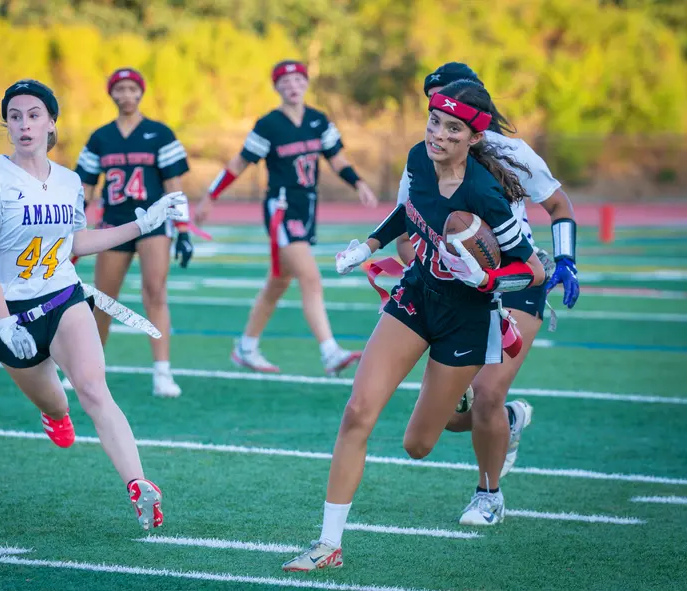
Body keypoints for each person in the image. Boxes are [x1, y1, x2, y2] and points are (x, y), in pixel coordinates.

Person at [282, 79, 546, 571]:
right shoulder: (418, 159)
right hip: (417, 296)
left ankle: (502, 419)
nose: (438, 134)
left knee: (419, 444)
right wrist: (369, 245)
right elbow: (408, 211)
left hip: (467, 319)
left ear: (474, 137)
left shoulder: (486, 193)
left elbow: (532, 270)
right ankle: (328, 544)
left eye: (453, 129)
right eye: (434, 122)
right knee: (357, 411)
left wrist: (485, 276)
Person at [0, 80, 187, 530]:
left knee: (95, 390)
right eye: (15, 116)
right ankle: (54, 415)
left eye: (34, 115)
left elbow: (75, 242)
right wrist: (3, 324)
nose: (24, 124)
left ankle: (139, 483)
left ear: (51, 123)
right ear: (7, 124)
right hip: (13, 313)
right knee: (57, 403)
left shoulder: (68, 181)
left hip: (63, 298)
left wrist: (141, 225)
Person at [393, 62, 579, 526]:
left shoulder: (510, 152)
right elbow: (404, 233)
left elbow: (558, 204)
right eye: (435, 109)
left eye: (454, 105)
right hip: (455, 295)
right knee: (451, 419)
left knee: (487, 392)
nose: (442, 119)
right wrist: (426, 267)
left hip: (515, 282)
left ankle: (488, 495)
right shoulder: (423, 159)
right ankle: (509, 422)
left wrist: (566, 259)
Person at [194, 60, 379, 376]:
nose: (293, 86)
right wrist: (210, 196)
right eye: (285, 81)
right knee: (310, 277)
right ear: (276, 87)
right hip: (281, 209)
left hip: (307, 207)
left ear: (306, 83)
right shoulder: (269, 125)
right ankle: (330, 352)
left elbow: (337, 159)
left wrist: (359, 183)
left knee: (278, 283)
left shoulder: (318, 120)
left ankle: (246, 347)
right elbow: (238, 164)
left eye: (297, 79)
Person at [73, 68, 192, 397]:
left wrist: (183, 229)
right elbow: (85, 187)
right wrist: (72, 225)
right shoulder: (100, 137)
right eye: (120, 89)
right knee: (103, 299)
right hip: (113, 224)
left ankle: (162, 372)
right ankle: (89, 372)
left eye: (131, 88)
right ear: (111, 93)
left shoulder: (160, 133)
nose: (126, 95)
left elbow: (174, 185)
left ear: (141, 92)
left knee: (155, 292)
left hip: (154, 225)